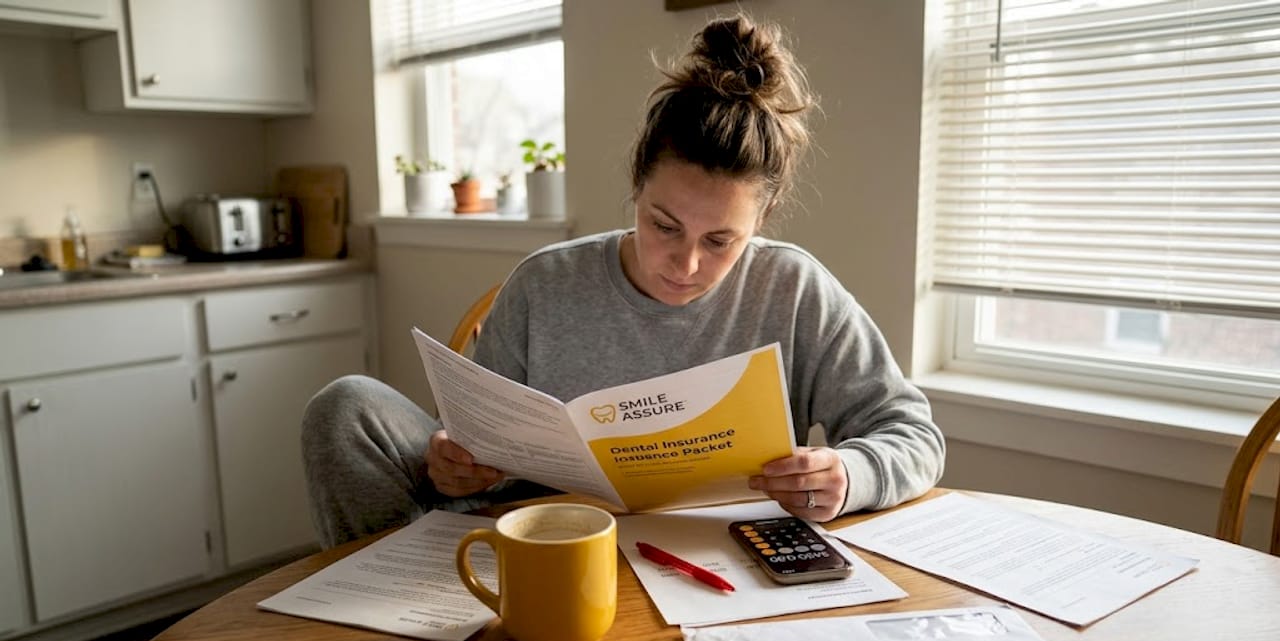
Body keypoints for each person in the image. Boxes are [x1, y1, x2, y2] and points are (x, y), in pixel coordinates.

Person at [302, 13, 945, 549]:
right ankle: (402, 598)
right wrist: (458, 467)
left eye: (721, 241)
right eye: (663, 225)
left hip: (714, 545)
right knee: (344, 406)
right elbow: (472, 452)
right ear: (636, 187)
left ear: (762, 221)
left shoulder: (794, 288)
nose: (686, 264)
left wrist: (849, 473)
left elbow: (911, 431)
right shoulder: (546, 283)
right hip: (548, 538)